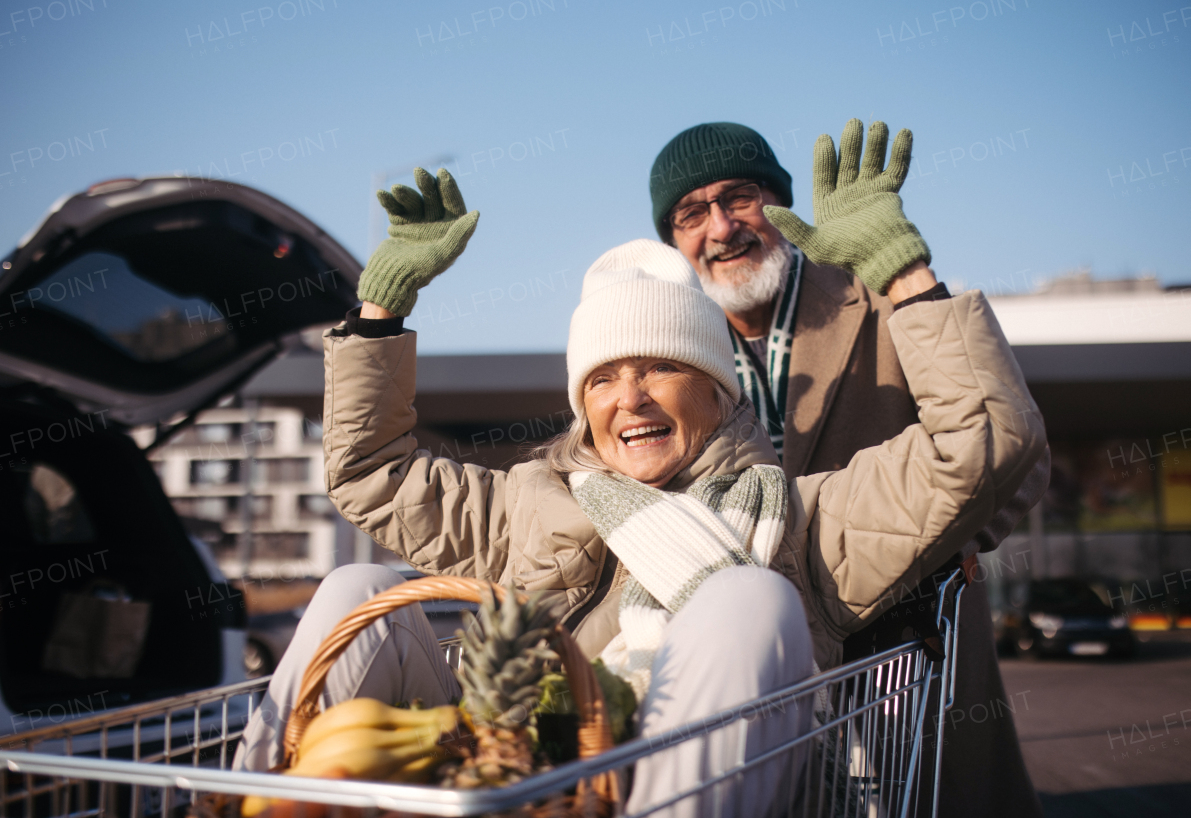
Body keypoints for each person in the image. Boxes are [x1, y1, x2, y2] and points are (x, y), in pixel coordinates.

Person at [234, 166, 1046, 816]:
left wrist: (905, 277)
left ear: (716, 389)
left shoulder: (803, 517)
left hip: (738, 784)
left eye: (659, 366)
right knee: (357, 589)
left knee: (748, 601)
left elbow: (982, 444)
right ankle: (255, 805)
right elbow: (371, 473)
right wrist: (379, 312)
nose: (631, 398)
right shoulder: (532, 504)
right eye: (605, 379)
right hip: (531, 775)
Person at [649, 119, 1049, 816]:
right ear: (675, 242)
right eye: (691, 213)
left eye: (740, 197)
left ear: (779, 201)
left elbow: (1016, 451)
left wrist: (947, 540)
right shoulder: (666, 348)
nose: (720, 227)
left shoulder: (879, 288)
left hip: (903, 646)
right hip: (754, 660)